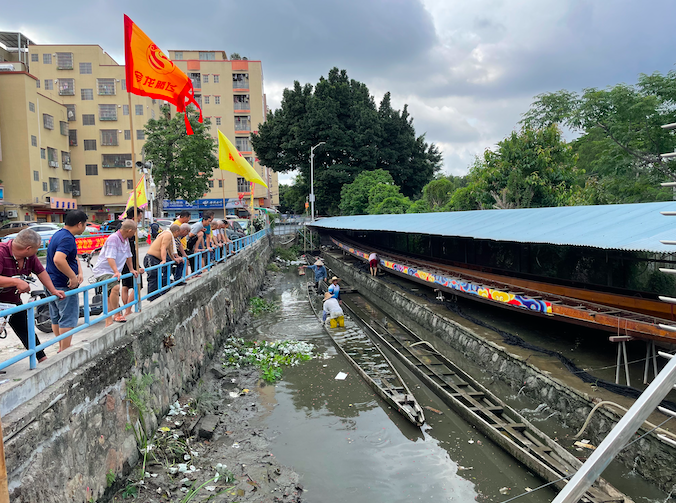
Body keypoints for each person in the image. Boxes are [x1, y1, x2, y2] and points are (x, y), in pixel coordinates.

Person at [0, 229, 65, 362]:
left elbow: (41, 272)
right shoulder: (1, 252)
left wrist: (53, 290)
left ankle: (41, 358)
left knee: (26, 328)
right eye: (36, 249)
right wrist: (16, 281)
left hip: (12, 300)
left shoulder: (29, 257)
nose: (36, 252)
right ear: (28, 248)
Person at [46, 209, 87, 352]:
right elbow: (58, 259)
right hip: (63, 285)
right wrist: (72, 277)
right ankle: (65, 350)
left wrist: (79, 272)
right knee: (67, 318)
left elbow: (72, 257)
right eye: (85, 224)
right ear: (80, 224)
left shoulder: (59, 234)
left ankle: (61, 347)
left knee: (56, 317)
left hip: (51, 283)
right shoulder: (68, 239)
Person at [91, 220, 141, 326]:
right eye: (134, 232)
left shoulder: (125, 240)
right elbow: (110, 256)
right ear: (129, 230)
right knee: (115, 287)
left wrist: (132, 269)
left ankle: (108, 322)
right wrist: (116, 271)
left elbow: (128, 255)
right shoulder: (114, 238)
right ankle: (117, 314)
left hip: (112, 270)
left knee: (109, 295)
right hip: (103, 271)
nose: (134, 235)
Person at [144, 224, 181, 301]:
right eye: (179, 233)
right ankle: (152, 297)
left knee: (158, 276)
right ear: (176, 231)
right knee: (153, 276)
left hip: (155, 259)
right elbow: (163, 247)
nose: (179, 235)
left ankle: (157, 294)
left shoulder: (169, 236)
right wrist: (164, 260)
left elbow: (169, 250)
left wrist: (174, 259)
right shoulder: (168, 235)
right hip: (151, 257)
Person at [121, 207, 143, 319]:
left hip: (122, 261)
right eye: (140, 216)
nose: (140, 219)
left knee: (125, 285)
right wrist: (136, 266)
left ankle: (126, 309)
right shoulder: (129, 229)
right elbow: (130, 251)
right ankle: (128, 310)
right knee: (137, 285)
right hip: (129, 260)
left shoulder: (121, 225)